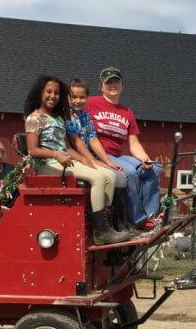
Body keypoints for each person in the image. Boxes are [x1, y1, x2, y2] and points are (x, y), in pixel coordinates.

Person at [23, 74, 131, 244]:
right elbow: (32, 150)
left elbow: (66, 148)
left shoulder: (58, 118)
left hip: (64, 160)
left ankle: (106, 224)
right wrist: (56, 155)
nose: (52, 96)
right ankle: (101, 232)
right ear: (40, 93)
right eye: (48, 92)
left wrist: (85, 159)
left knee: (109, 176)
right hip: (47, 164)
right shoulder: (34, 118)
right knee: (98, 178)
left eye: (56, 93)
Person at [85, 66, 163, 230]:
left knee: (154, 169)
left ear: (122, 85)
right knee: (129, 172)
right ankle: (138, 221)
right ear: (101, 86)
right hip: (98, 154)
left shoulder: (126, 112)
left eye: (116, 81)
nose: (112, 85)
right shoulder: (90, 103)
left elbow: (133, 143)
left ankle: (151, 217)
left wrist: (144, 158)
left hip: (117, 155)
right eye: (108, 82)